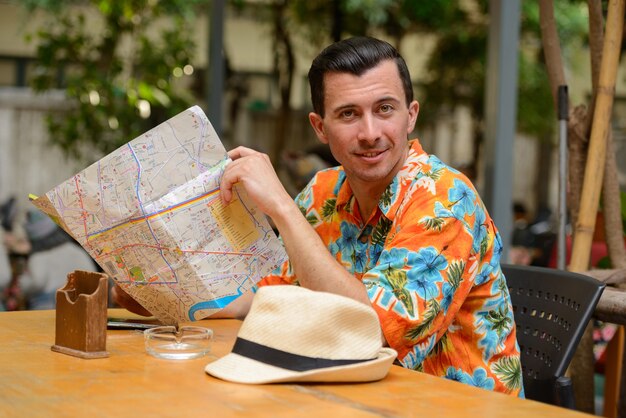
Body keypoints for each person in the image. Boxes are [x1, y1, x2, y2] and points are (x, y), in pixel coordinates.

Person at [114, 36, 523, 396]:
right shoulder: (324, 192)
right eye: (348, 114)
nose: (370, 132)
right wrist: (162, 295)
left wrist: (280, 205)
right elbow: (266, 295)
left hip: (453, 407)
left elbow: (371, 332)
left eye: (385, 109)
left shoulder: (445, 197)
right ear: (319, 127)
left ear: (411, 114)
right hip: (355, 399)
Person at [15, 210, 97, 309]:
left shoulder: (38, 257)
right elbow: (92, 273)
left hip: (50, 304)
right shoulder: (74, 249)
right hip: (81, 301)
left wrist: (23, 282)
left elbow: (37, 281)